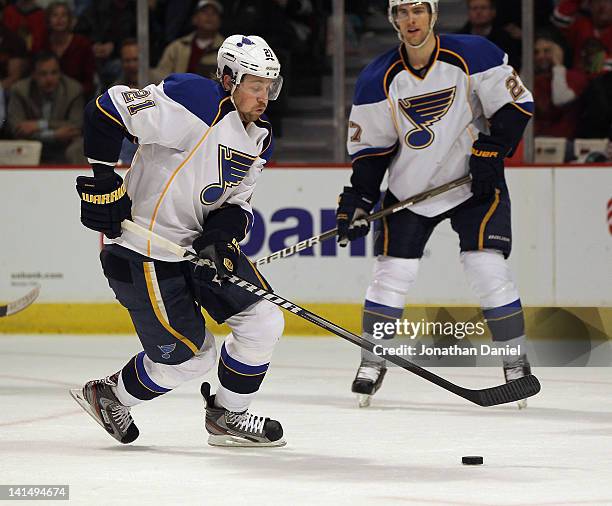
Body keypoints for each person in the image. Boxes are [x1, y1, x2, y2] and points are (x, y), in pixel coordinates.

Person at [71, 34, 287, 447]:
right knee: (193, 357)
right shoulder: (195, 101)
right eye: (255, 85)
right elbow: (106, 110)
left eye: (270, 86)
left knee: (263, 319)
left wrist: (221, 238)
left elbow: (237, 204)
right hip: (143, 252)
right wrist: (103, 175)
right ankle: (109, 395)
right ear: (228, 79)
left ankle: (228, 415)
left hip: (194, 251)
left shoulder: (259, 138)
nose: (264, 97)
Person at [336, 0, 534, 408]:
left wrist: (492, 150)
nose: (411, 20)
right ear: (392, 20)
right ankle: (373, 359)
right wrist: (357, 200)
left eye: (418, 11)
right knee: (391, 273)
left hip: (472, 185)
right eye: (402, 13)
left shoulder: (473, 54)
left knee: (486, 266)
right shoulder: (377, 78)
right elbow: (372, 153)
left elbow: (515, 106)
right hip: (411, 192)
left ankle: (514, 361)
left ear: (433, 14)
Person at [7, 51, 84, 162]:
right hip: (30, 145)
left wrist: (39, 125)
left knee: (78, 147)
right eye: (43, 74)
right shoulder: (19, 90)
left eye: (54, 73)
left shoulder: (73, 90)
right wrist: (54, 135)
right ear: (33, 75)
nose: (49, 79)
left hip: (64, 145)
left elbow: (76, 126)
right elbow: (17, 128)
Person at [533, 32, 589, 138]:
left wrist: (558, 66)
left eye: (547, 51)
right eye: (536, 52)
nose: (540, 56)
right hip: (535, 144)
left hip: (567, 145)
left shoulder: (575, 77)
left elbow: (560, 100)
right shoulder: (534, 80)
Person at [154, 0, 224, 80]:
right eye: (204, 12)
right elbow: (160, 76)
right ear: (194, 19)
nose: (209, 16)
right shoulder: (176, 47)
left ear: (220, 21)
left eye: (214, 13)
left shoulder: (226, 49)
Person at [42, 1, 95, 99]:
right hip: (46, 95)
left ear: (70, 20)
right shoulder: (42, 43)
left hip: (77, 96)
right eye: (55, 15)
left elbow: (89, 81)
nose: (59, 19)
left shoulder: (82, 44)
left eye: (63, 15)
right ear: (48, 20)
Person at [456, 0, 521, 70]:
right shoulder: (458, 39)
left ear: (493, 12)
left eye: (483, 8)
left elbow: (512, 66)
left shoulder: (506, 39)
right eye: (474, 8)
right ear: (468, 12)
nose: (478, 12)